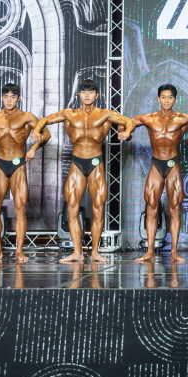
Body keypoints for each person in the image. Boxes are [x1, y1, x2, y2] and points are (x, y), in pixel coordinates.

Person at [31, 79, 133, 264]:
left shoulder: (105, 114)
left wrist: (126, 132)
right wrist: (37, 130)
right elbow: (45, 120)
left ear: (97, 95)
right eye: (84, 92)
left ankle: (95, 252)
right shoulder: (69, 114)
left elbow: (128, 121)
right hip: (77, 164)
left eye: (90, 92)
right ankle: (77, 252)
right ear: (79, 94)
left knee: (98, 208)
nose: (87, 95)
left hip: (96, 164)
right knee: (72, 208)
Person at [126, 84, 188, 264]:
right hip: (156, 164)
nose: (166, 101)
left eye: (170, 97)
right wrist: (127, 132)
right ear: (158, 99)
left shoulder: (182, 118)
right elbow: (129, 122)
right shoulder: (149, 118)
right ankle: (150, 252)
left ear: (175, 99)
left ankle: (174, 252)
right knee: (151, 208)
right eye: (163, 97)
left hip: (173, 164)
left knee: (175, 208)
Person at [0, 83, 48, 263]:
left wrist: (34, 148)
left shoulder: (27, 117)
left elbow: (47, 134)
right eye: (6, 97)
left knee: (20, 209)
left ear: (18, 98)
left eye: (13, 97)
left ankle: (19, 251)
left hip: (18, 164)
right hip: (0, 164)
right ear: (2, 98)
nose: (9, 100)